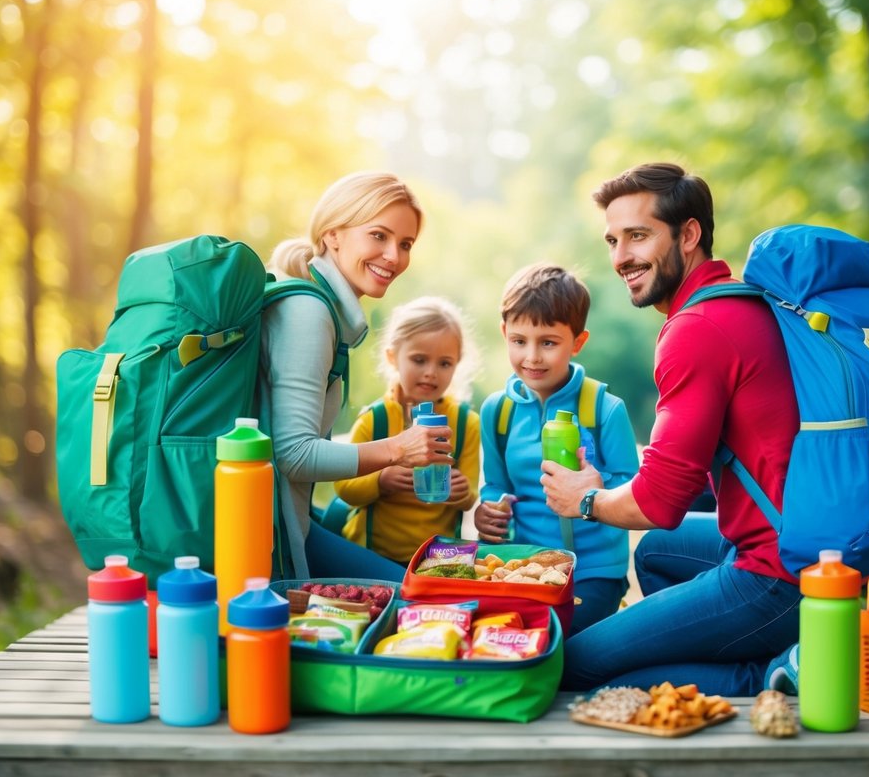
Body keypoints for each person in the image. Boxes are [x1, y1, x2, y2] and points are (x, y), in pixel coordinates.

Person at [540, 162, 803, 694]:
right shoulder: (741, 302)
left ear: (689, 234)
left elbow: (658, 505)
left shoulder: (697, 329)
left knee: (572, 667)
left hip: (780, 576)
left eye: (638, 236)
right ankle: (723, 650)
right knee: (658, 551)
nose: (620, 258)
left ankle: (768, 670)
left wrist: (586, 500)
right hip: (807, 548)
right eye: (613, 240)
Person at [259, 171, 452, 583]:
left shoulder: (317, 305)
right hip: (266, 535)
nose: (394, 257)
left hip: (291, 522)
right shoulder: (308, 314)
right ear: (333, 235)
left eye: (405, 244)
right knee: (422, 600)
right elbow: (294, 455)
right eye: (379, 236)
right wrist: (399, 448)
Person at [474, 263, 640, 635]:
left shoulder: (603, 409)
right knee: (500, 640)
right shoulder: (497, 411)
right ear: (504, 334)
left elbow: (633, 487)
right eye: (519, 341)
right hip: (522, 566)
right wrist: (489, 512)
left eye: (548, 342)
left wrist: (597, 487)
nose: (532, 357)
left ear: (577, 342)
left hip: (593, 572)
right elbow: (495, 487)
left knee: (563, 648)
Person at [333, 296, 481, 565]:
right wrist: (380, 480)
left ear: (456, 364)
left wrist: (462, 493)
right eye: (419, 359)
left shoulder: (465, 423)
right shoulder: (374, 421)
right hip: (372, 556)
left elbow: (469, 494)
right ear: (393, 357)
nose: (431, 373)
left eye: (444, 363)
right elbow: (344, 488)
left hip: (436, 559)